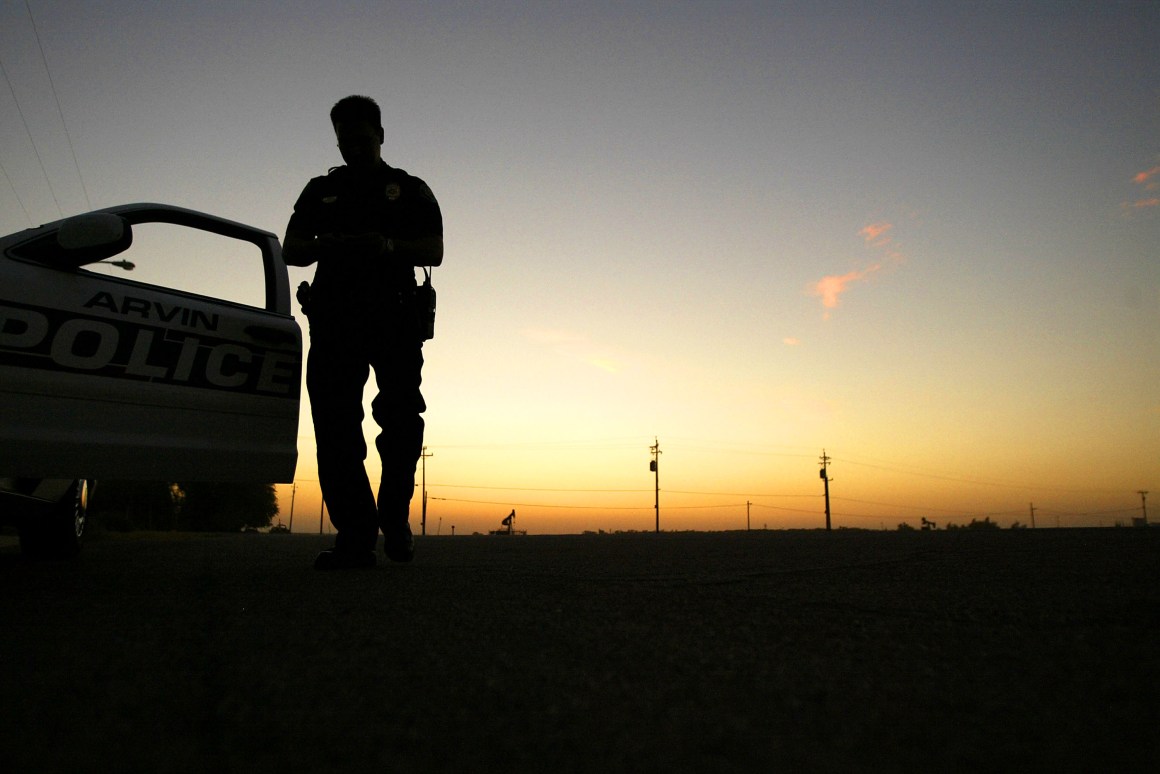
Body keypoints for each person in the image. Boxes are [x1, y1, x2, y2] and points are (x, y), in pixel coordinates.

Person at [283, 95, 443, 570]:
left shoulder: (408, 189)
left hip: (394, 319)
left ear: (379, 134)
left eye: (360, 138)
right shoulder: (319, 191)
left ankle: (394, 517)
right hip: (334, 321)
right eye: (343, 139)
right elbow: (291, 248)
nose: (351, 147)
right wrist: (320, 246)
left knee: (399, 421)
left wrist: (388, 246)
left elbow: (434, 250)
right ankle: (355, 537)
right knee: (334, 429)